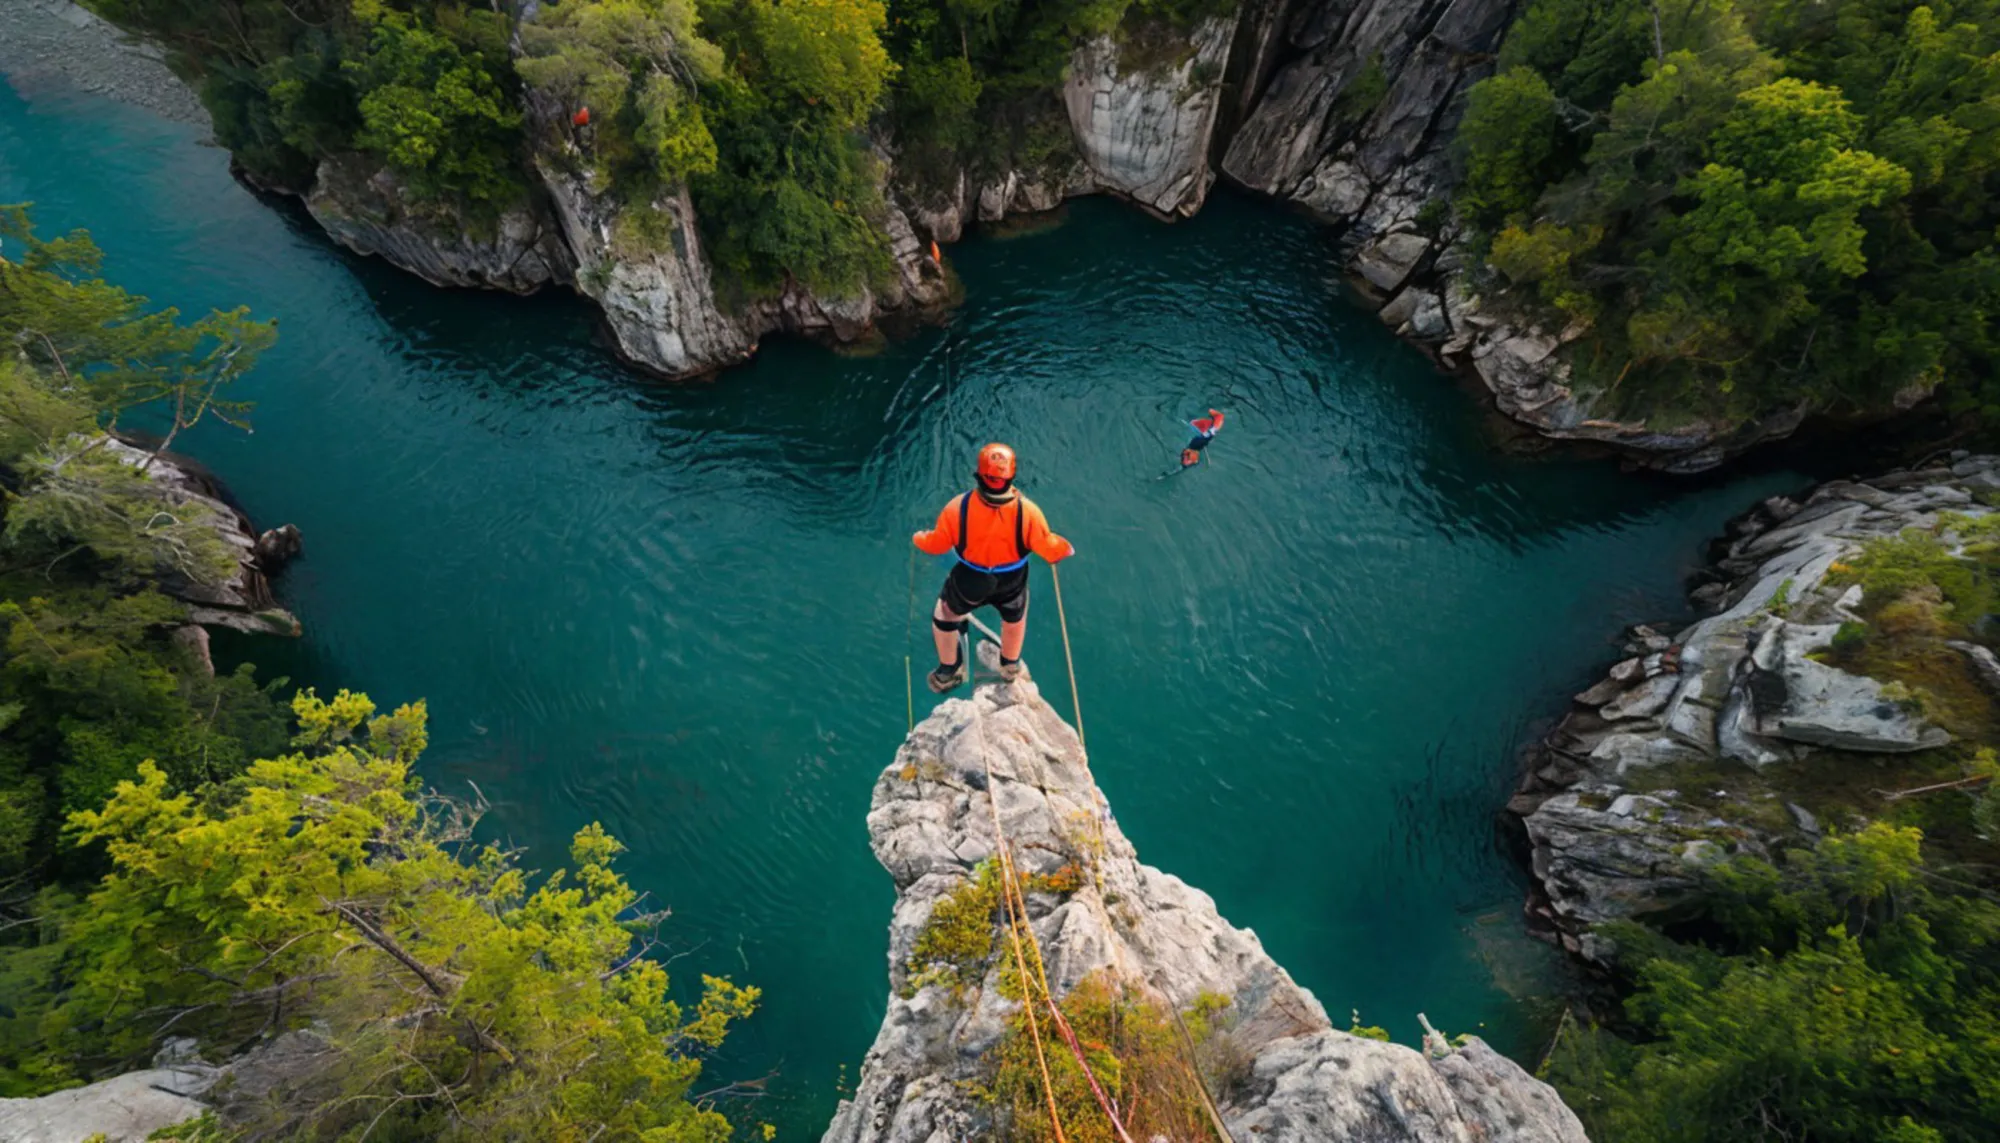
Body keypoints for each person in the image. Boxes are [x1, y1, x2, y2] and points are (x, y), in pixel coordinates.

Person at [913, 443, 1075, 692]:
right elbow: (1048, 547)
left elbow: (936, 544)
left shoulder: (958, 507)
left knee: (944, 613)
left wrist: (920, 538)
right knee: (1015, 617)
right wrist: (1062, 549)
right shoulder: (1028, 511)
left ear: (979, 474)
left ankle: (949, 671)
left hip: (971, 578)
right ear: (1011, 476)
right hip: (1011, 579)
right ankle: (1010, 666)